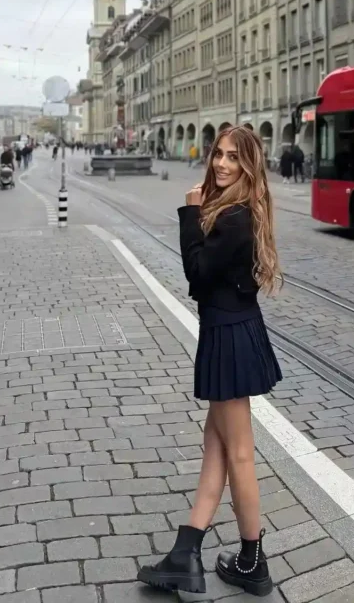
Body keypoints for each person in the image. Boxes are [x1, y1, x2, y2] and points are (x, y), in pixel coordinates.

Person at [137, 126, 282, 597]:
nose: (220, 164)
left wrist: (189, 213)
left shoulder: (234, 217)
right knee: (216, 446)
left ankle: (252, 561)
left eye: (232, 159)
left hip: (229, 335)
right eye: (218, 154)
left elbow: (197, 275)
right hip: (229, 330)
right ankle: (187, 551)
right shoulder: (234, 210)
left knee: (238, 452)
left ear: (247, 166)